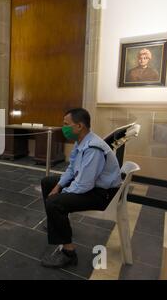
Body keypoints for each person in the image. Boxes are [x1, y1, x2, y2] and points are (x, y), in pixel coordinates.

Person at [41, 108, 122, 268]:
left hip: (103, 195)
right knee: (48, 182)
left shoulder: (93, 148)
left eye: (66, 124)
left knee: (54, 203)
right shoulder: (82, 142)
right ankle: (55, 222)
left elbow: (84, 184)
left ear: (79, 126)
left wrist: (60, 195)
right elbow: (72, 169)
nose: (63, 127)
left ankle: (69, 253)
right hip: (93, 186)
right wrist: (58, 186)